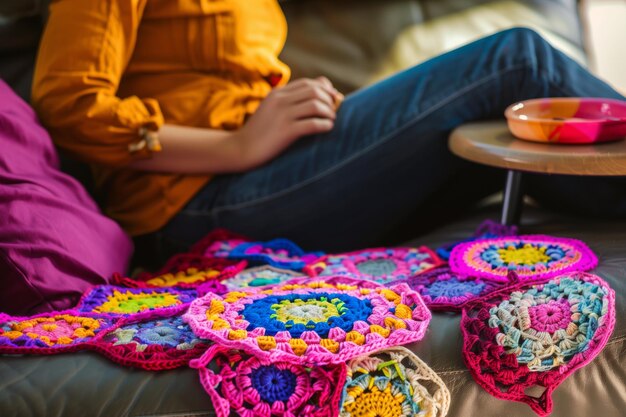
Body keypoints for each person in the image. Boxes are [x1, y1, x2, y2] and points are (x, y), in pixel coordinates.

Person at [31, 0, 626, 265]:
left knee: (494, 139)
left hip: (266, 169)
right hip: (194, 199)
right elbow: (69, 104)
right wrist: (239, 145)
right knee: (515, 59)